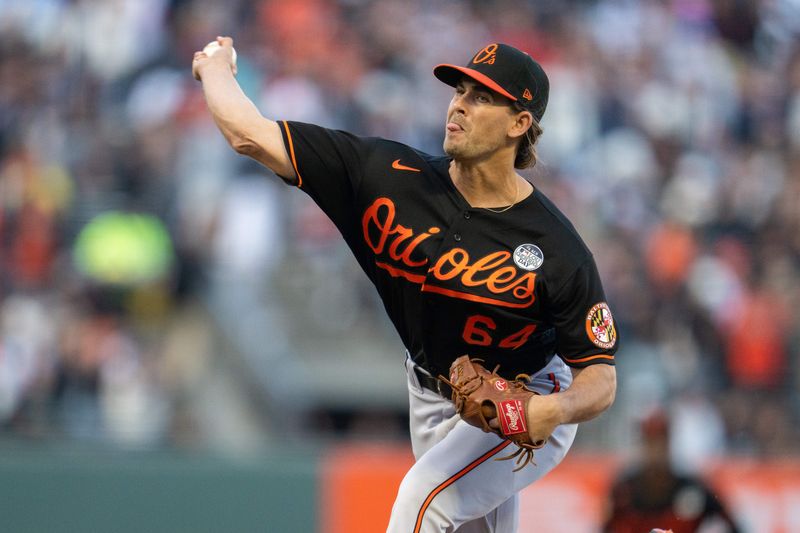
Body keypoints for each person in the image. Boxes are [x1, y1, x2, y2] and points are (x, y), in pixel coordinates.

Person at [193, 37, 618, 532]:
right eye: (459, 90)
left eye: (481, 97)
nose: (458, 103)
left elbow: (600, 380)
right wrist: (216, 66)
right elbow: (251, 136)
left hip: (524, 401)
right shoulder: (387, 175)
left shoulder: (556, 247)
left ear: (519, 124)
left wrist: (552, 410)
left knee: (423, 500)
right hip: (429, 392)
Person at [603, 409, 740, 533]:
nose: (656, 449)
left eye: (660, 441)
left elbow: (732, 525)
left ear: (669, 442)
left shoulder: (693, 488)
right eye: (650, 442)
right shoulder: (624, 491)